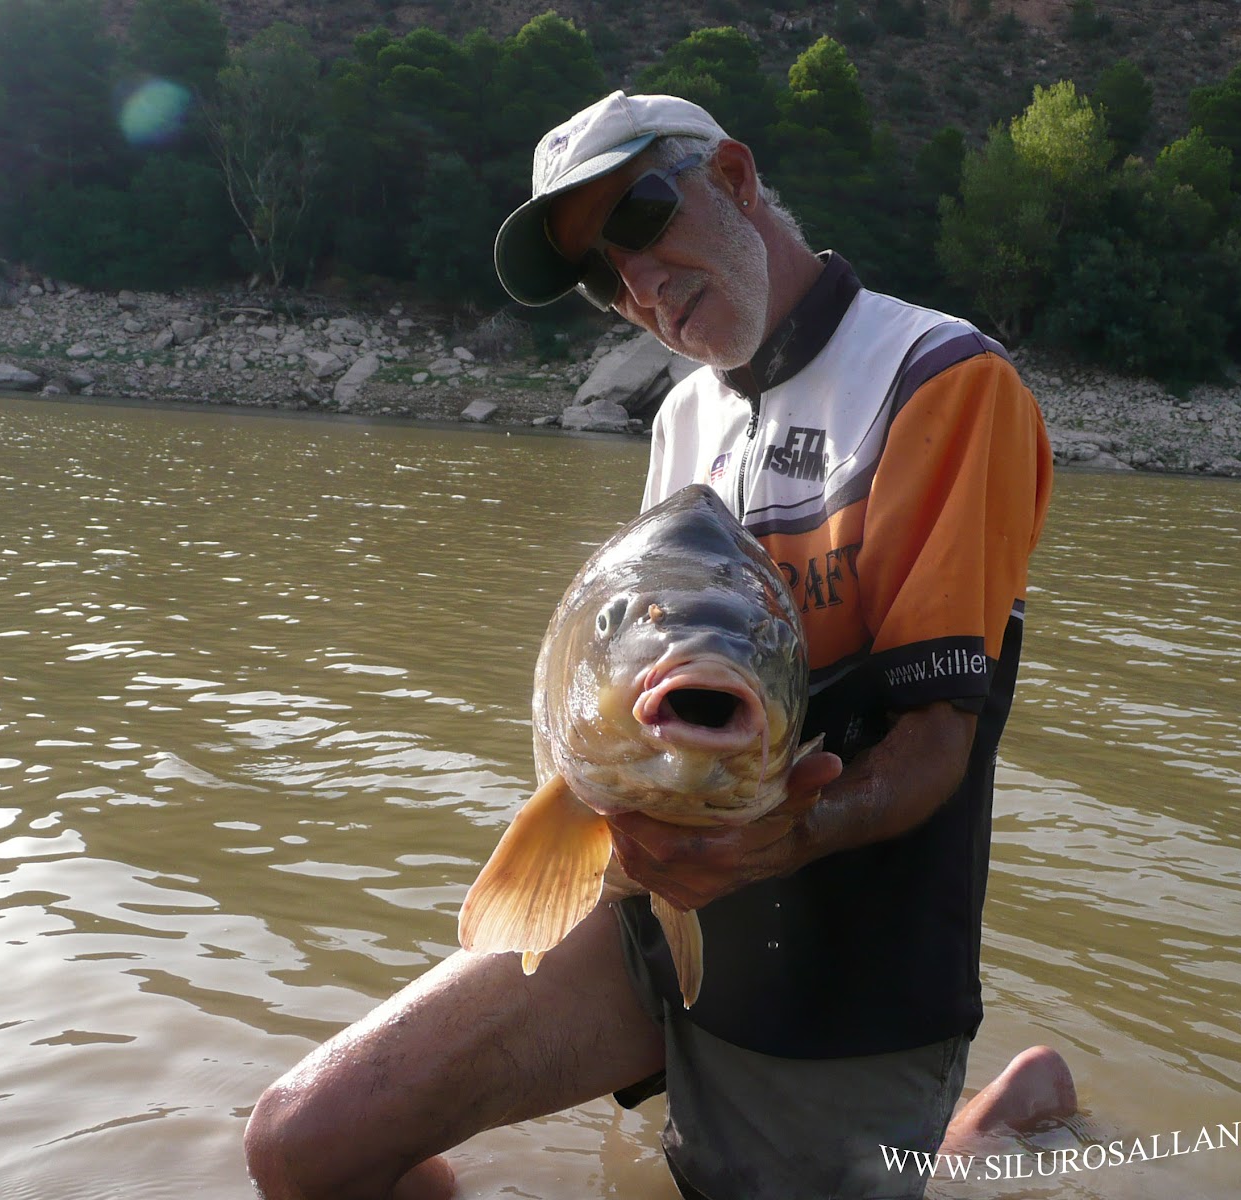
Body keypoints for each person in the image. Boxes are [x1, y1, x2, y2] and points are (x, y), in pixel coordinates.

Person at [244, 91, 1069, 1200]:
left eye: (636, 218)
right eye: (597, 274)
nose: (635, 281)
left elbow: (934, 743)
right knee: (306, 1144)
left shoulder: (939, 379)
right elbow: (633, 663)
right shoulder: (684, 420)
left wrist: (784, 837)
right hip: (658, 909)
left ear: (732, 177)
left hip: (850, 958)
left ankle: (988, 1124)